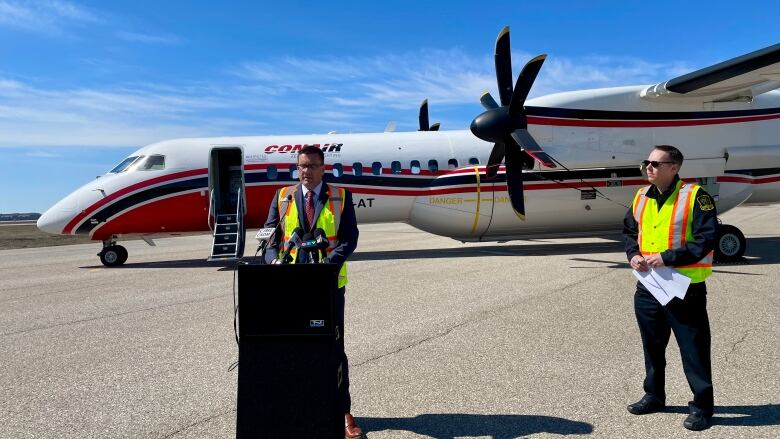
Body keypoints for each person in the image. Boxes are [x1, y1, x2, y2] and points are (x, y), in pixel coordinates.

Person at [262, 145, 363, 439]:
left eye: (312, 166)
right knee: (293, 348)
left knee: (334, 349)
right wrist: (273, 261)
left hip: (329, 284)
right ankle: (299, 407)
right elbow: (270, 237)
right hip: (291, 286)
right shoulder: (283, 197)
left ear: (323, 168)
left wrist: (326, 268)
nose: (306, 171)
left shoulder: (340, 196)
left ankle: (343, 411)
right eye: (302, 166)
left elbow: (349, 239)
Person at [623, 144, 718, 431]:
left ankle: (702, 407)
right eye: (646, 162)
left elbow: (706, 239)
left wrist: (667, 257)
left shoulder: (695, 196)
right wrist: (633, 255)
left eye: (655, 163)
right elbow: (629, 231)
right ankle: (654, 395)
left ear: (674, 168)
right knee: (652, 345)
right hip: (649, 286)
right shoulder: (641, 196)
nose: (648, 167)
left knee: (693, 349)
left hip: (684, 287)